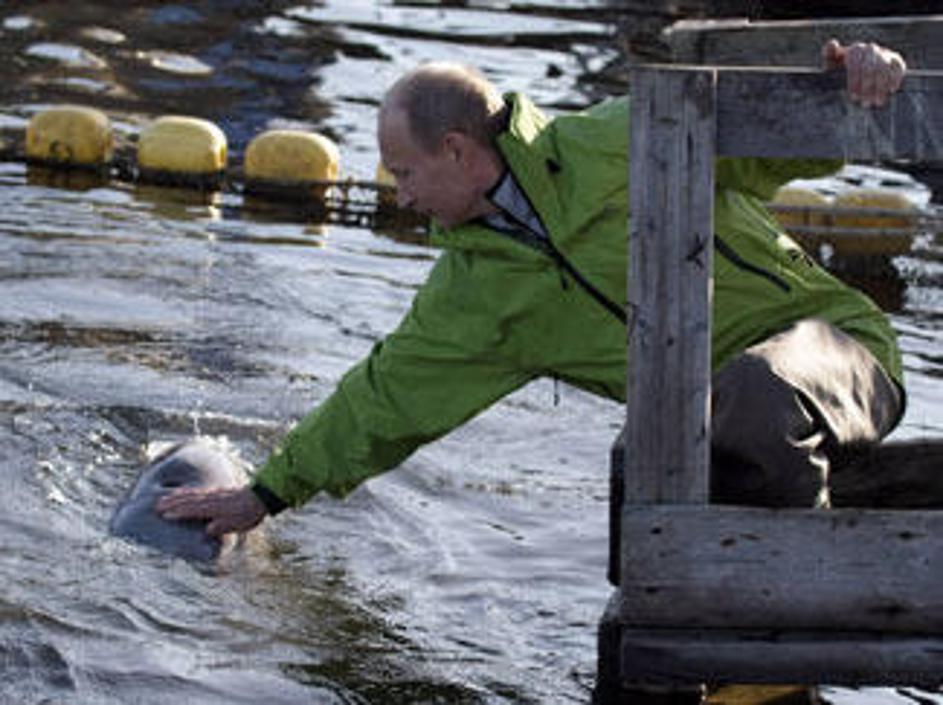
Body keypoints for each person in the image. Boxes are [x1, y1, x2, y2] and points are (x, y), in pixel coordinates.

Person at [157, 40, 908, 535]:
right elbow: (380, 402)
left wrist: (851, 81)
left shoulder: (623, 137)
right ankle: (699, 638)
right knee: (642, 463)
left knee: (749, 392)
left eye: (404, 172)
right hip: (713, 425)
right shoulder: (472, 294)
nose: (400, 194)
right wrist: (263, 495)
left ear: (455, 150)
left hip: (837, 355)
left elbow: (780, 145)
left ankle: (791, 598)